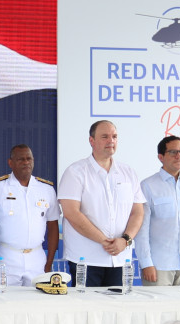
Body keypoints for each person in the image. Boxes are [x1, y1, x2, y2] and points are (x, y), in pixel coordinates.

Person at [58, 121, 145, 287]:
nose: (111, 141)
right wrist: (104, 241)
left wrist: (125, 240)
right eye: (105, 137)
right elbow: (71, 213)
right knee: (86, 304)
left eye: (114, 137)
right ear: (91, 141)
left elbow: (137, 212)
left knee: (119, 303)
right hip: (86, 259)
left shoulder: (128, 172)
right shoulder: (75, 172)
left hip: (120, 259)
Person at [0, 145, 60, 286]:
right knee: (4, 299)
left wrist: (49, 263)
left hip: (37, 258)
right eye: (21, 159)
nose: (26, 162)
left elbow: (53, 226)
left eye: (29, 159)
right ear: (10, 163)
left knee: (37, 299)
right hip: (5, 257)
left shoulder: (46, 189)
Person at [136, 135, 180, 286]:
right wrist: (146, 263)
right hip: (159, 265)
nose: (178, 156)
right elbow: (142, 229)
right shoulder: (148, 185)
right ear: (160, 157)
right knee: (158, 303)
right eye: (173, 152)